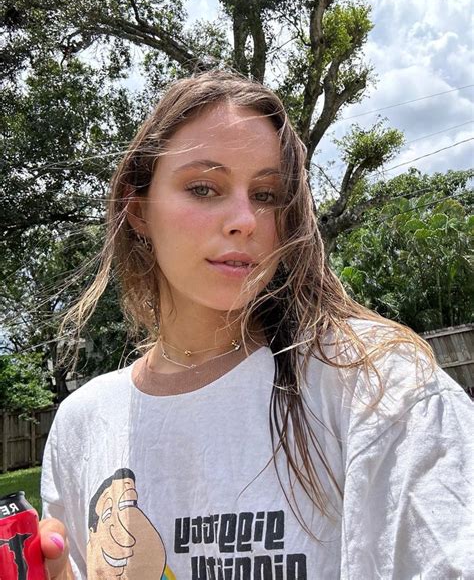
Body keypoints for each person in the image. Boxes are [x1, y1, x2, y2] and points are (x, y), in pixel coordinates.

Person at [38, 70, 472, 579]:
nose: (245, 219)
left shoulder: (375, 382)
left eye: (266, 195)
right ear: (138, 210)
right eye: (204, 188)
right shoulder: (82, 424)